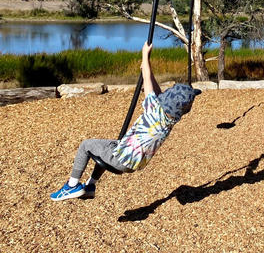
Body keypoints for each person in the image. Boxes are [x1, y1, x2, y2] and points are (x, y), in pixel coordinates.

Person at [50, 42, 201, 201]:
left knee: (86, 145)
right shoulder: (172, 118)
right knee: (107, 146)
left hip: (121, 158)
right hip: (132, 162)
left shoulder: (154, 109)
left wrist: (145, 56)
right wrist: (146, 68)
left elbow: (149, 83)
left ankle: (72, 186)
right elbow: (156, 91)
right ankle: (90, 186)